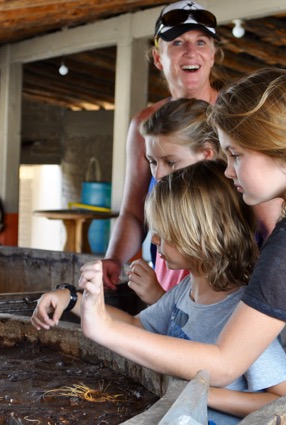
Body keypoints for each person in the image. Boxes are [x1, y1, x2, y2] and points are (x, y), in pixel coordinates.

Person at [78, 68, 286, 392]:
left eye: (236, 155)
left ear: (279, 150)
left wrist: (106, 330)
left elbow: (224, 364)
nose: (228, 171)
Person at [32, 160, 286, 424]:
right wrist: (73, 299)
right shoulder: (186, 290)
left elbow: (282, 398)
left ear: (201, 235)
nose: (155, 240)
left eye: (164, 232)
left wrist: (201, 394)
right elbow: (137, 325)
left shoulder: (244, 312)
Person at [101, 0, 223, 291]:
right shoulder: (146, 124)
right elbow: (134, 212)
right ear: (158, 58)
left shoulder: (236, 114)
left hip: (225, 268)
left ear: (213, 55)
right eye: (177, 42)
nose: (191, 51)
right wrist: (114, 258)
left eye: (201, 42)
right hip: (169, 269)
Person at [128, 97, 219, 305]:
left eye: (170, 162)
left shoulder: (214, 223)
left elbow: (203, 314)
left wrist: (157, 297)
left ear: (207, 155)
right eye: (152, 161)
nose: (158, 174)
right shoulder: (167, 205)